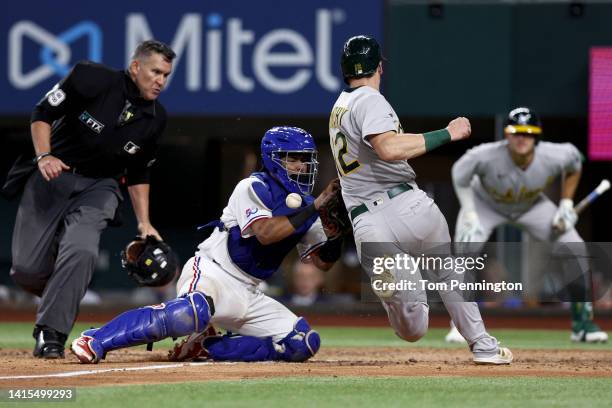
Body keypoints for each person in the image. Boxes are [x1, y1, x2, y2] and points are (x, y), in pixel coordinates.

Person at [70, 126, 342, 364]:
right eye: (294, 159)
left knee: (301, 342)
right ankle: (97, 339)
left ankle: (207, 346)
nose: (303, 167)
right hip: (213, 273)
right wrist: (316, 207)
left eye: (306, 161)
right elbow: (265, 234)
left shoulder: (307, 207)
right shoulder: (253, 187)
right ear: (274, 160)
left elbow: (323, 263)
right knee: (190, 314)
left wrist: (335, 233)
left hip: (249, 291)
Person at [329, 35, 512, 364]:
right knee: (447, 274)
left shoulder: (339, 107)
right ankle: (482, 345)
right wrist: (449, 133)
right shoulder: (370, 100)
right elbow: (388, 148)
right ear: (380, 67)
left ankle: (411, 291)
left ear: (344, 70)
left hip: (369, 223)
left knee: (412, 327)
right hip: (408, 207)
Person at [5, 40, 176, 359]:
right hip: (52, 175)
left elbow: (138, 172)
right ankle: (62, 288)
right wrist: (44, 156)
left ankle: (50, 334)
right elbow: (42, 111)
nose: (161, 81)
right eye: (155, 72)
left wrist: (144, 221)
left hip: (100, 187)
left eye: (166, 75)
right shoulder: (89, 77)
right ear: (136, 67)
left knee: (82, 250)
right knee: (26, 270)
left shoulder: (155, 118)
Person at [444, 107, 608, 344]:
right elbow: (459, 173)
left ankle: (583, 325)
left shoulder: (555, 154)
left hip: (531, 206)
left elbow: (575, 163)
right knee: (464, 252)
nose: (522, 138)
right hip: (485, 204)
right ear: (507, 135)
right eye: (517, 132)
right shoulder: (485, 155)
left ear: (537, 135)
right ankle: (459, 326)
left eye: (528, 133)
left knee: (575, 246)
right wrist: (469, 211)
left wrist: (565, 202)